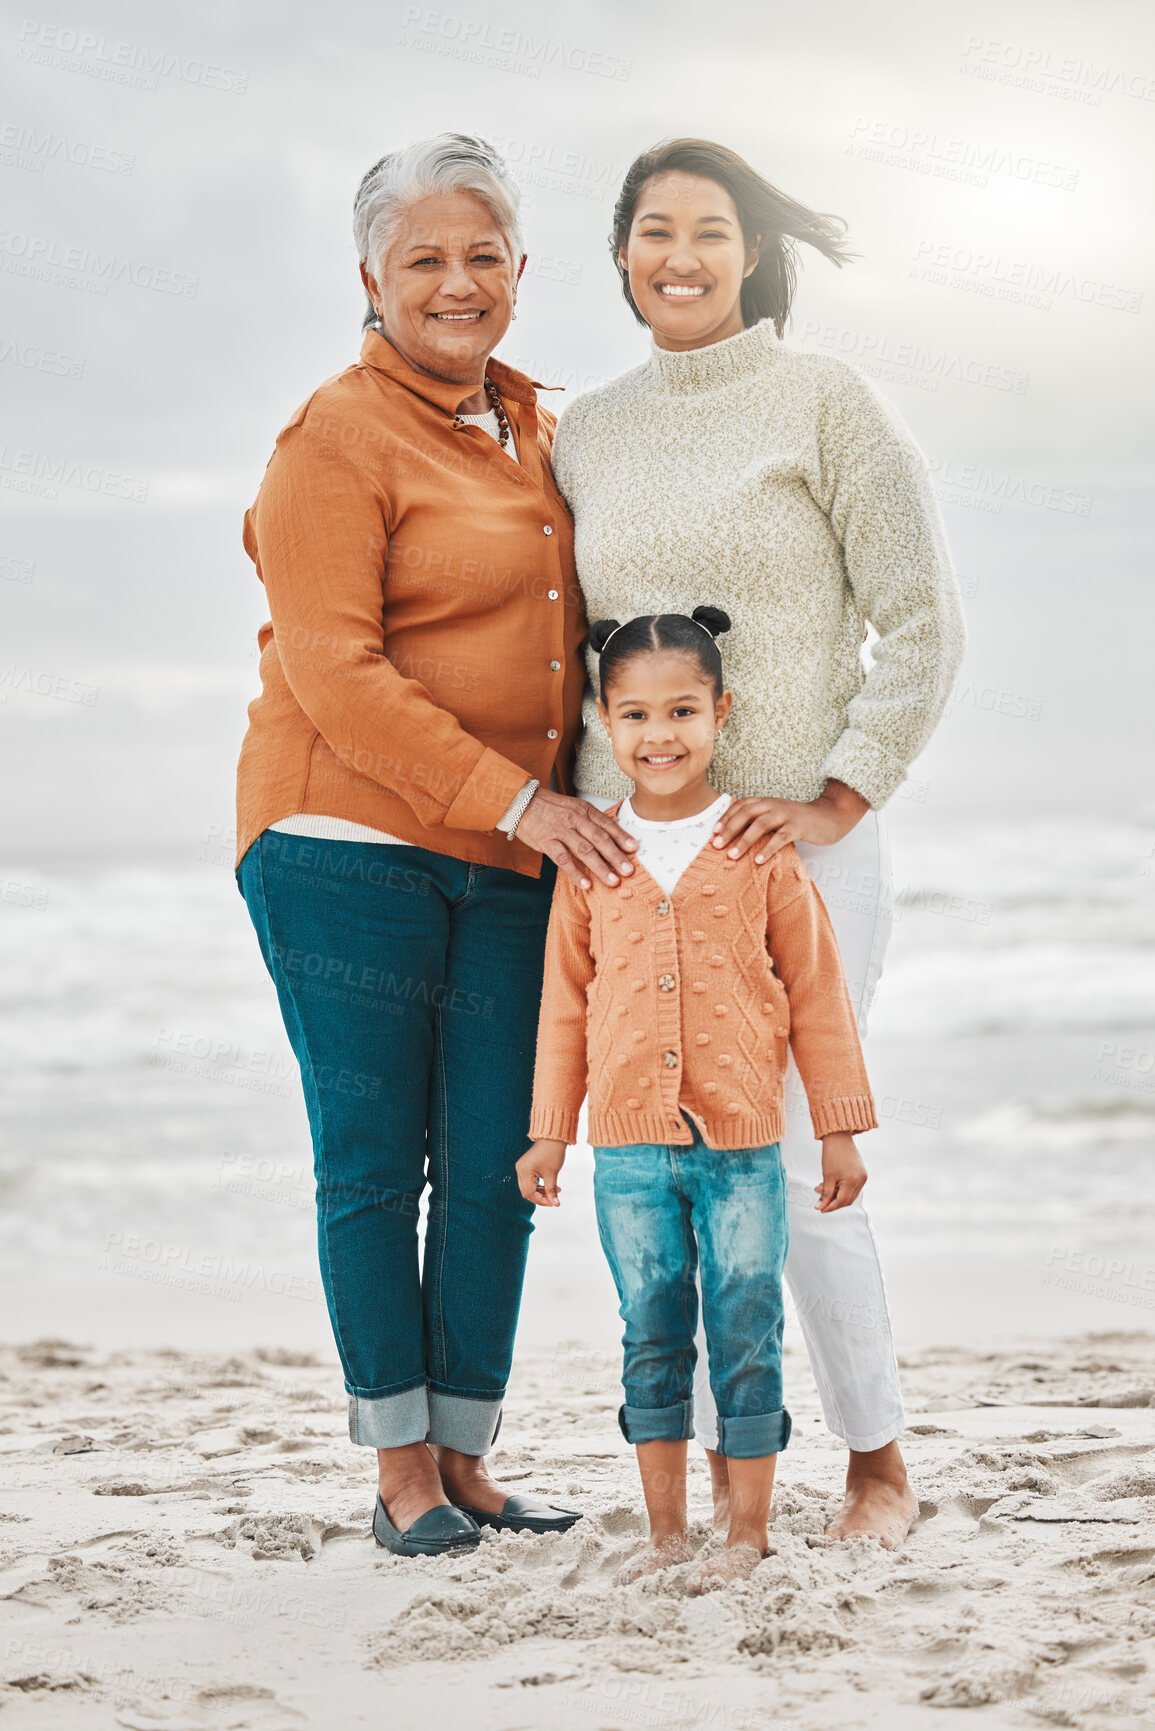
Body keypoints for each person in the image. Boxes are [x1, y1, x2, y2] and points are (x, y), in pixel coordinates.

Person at [550, 137, 966, 1547]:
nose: (680, 253)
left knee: (785, 1166)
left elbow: (920, 615)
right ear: (619, 255)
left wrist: (845, 788)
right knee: (673, 1180)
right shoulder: (584, 430)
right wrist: (569, 814)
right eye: (652, 227)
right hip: (635, 860)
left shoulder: (824, 402)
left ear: (747, 251)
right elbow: (567, 651)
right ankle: (729, 1492)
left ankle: (875, 1461)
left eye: (709, 229)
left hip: (798, 856)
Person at [234, 133, 640, 1559]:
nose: (455, 282)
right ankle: (398, 1462)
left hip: (510, 854)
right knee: (373, 1159)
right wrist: (520, 799)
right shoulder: (333, 436)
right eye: (423, 259)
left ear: (520, 274)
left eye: (481, 255)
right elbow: (335, 667)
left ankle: (465, 1450)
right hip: (344, 838)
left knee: (501, 1157)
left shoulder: (533, 426)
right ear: (370, 279)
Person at [518, 609, 878, 1591]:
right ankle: (668, 1534)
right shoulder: (593, 857)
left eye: (682, 710)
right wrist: (550, 1132)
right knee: (652, 1333)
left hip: (744, 1153)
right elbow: (562, 1006)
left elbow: (817, 993)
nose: (660, 734)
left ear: (722, 713)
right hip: (627, 1155)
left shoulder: (760, 847)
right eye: (635, 714)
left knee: (746, 1325)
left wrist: (839, 1133)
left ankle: (747, 1535)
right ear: (602, 718)